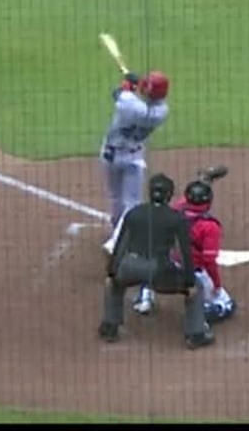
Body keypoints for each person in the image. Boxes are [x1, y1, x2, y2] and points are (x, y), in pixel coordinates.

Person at [98, 173, 215, 350]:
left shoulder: (134, 213)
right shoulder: (176, 218)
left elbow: (121, 245)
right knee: (197, 287)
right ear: (169, 195)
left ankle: (109, 327)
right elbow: (184, 254)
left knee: (114, 284)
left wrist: (112, 272)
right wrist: (189, 282)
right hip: (158, 271)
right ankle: (196, 334)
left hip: (130, 267)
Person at [98, 69, 171, 319]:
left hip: (112, 156)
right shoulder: (161, 112)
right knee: (128, 202)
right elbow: (128, 95)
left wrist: (128, 83)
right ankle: (119, 236)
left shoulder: (131, 104)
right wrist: (135, 85)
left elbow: (117, 93)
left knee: (122, 201)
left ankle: (117, 241)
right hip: (133, 157)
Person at [174, 176, 237, 323]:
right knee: (227, 304)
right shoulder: (209, 227)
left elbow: (184, 202)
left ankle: (146, 294)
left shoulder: (175, 213)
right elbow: (209, 261)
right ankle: (200, 314)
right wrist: (217, 284)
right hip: (195, 275)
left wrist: (203, 181)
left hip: (171, 268)